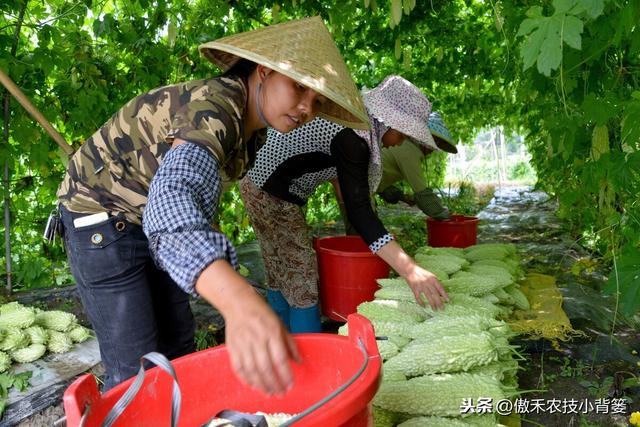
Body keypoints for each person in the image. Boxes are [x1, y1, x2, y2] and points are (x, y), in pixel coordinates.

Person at [55, 16, 368, 395]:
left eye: (317, 101)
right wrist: (235, 299)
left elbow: (194, 203)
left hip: (149, 222)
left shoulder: (253, 134)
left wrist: (237, 288)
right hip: (101, 218)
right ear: (264, 71)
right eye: (299, 87)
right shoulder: (217, 107)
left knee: (179, 351)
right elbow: (171, 199)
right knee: (138, 372)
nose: (305, 107)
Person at [240, 75, 450, 333]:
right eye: (404, 134)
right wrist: (411, 270)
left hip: (257, 186)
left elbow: (346, 188)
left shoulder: (352, 122)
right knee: (302, 276)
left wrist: (366, 230)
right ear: (388, 123)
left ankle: (280, 338)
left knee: (280, 269)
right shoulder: (353, 138)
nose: (402, 141)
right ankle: (309, 354)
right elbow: (360, 212)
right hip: (272, 194)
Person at [338, 111, 457, 235]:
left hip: (352, 184)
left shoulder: (405, 146)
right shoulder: (409, 150)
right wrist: (444, 215)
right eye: (435, 142)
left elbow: (380, 180)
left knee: (363, 234)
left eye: (438, 145)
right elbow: (423, 194)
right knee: (364, 235)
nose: (434, 149)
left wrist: (403, 198)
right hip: (356, 188)